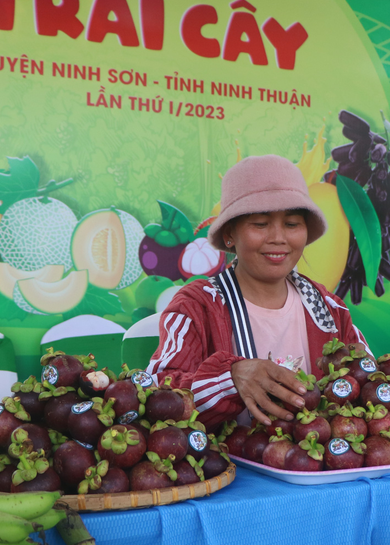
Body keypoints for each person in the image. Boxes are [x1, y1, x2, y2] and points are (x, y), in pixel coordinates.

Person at [147, 154, 371, 428]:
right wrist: (230, 378)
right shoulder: (197, 306)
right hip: (230, 468)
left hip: (314, 467)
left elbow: (369, 380)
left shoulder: (328, 309)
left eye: (291, 224)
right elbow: (158, 392)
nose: (278, 238)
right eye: (260, 224)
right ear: (230, 233)